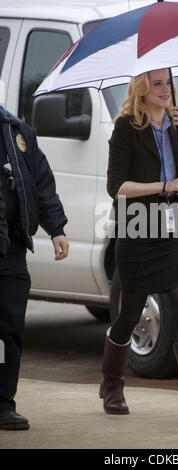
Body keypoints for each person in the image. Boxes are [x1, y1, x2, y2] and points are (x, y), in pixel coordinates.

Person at [101, 68, 178, 423]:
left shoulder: (176, 124)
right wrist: (164, 185)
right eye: (156, 84)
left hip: (172, 229)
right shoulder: (126, 127)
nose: (165, 89)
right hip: (137, 228)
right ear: (142, 89)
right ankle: (112, 384)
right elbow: (117, 186)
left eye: (167, 83)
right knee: (131, 312)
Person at [0, 105, 69, 430]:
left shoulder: (16, 130)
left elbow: (41, 183)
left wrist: (56, 228)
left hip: (11, 248)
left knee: (9, 328)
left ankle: (3, 404)